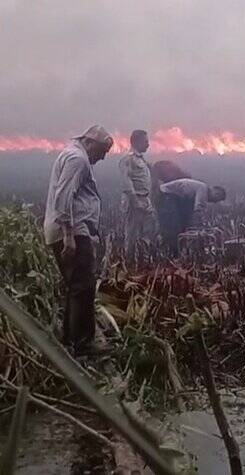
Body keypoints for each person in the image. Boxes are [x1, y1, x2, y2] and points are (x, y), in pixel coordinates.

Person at [43, 125, 114, 355]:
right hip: (73, 232)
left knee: (77, 287)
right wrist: (70, 237)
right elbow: (64, 196)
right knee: (83, 287)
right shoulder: (77, 159)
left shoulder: (73, 154)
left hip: (72, 231)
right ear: (91, 142)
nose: (102, 157)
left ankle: (70, 340)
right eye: (102, 151)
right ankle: (84, 343)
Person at [157, 178, 226, 254]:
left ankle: (175, 250)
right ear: (216, 192)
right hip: (168, 195)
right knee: (174, 226)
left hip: (174, 197)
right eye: (217, 198)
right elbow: (198, 209)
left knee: (182, 225)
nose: (215, 202)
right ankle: (173, 252)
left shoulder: (200, 188)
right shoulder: (203, 189)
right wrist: (199, 227)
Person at [119, 130, 156, 265]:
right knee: (132, 235)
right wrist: (135, 201)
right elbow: (127, 182)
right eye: (145, 142)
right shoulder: (128, 159)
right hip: (135, 201)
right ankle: (129, 264)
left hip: (145, 200)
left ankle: (143, 261)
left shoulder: (142, 160)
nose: (148, 144)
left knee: (148, 231)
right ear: (137, 142)